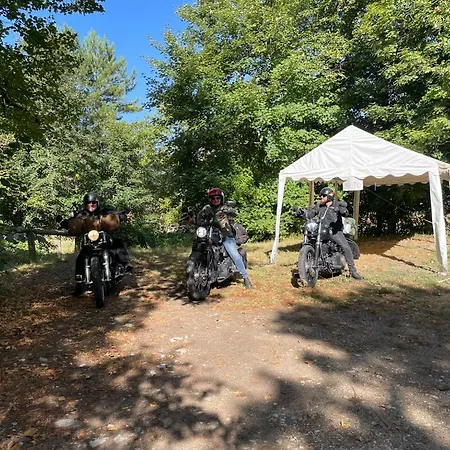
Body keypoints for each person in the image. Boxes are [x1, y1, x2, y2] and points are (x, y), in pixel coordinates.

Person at [61, 192, 133, 294]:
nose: (91, 204)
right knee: (80, 258)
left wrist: (121, 215)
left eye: (93, 202)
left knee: (118, 242)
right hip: (89, 242)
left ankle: (125, 264)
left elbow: (114, 214)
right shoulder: (81, 214)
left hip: (104, 239)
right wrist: (66, 223)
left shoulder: (104, 211)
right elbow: (73, 220)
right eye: (88, 202)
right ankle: (79, 282)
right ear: (85, 204)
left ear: (97, 203)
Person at [298, 187, 364, 280]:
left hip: (335, 231)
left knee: (346, 247)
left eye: (323, 195)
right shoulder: (319, 206)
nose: (321, 197)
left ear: (330, 196)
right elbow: (312, 212)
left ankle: (353, 271)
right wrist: (302, 214)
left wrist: (344, 211)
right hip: (322, 230)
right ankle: (306, 264)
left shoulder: (337, 205)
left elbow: (345, 211)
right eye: (321, 195)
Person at [197, 187, 253, 289]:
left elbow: (235, 213)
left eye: (217, 198)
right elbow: (199, 218)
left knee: (234, 254)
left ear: (221, 198)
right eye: (213, 198)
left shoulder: (225, 207)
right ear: (210, 199)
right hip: (210, 234)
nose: (215, 200)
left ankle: (246, 278)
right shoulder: (207, 208)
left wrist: (228, 210)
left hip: (225, 235)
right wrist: (192, 219)